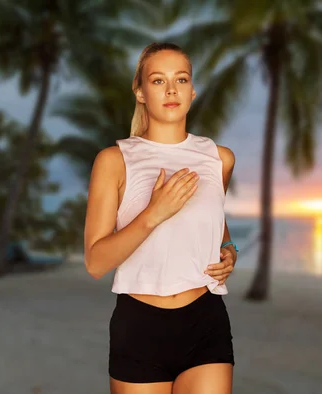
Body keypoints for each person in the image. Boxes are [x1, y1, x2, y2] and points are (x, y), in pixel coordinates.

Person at [84, 42, 238, 394]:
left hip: (206, 319)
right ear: (140, 92)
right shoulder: (114, 160)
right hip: (140, 325)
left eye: (181, 79)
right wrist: (153, 215)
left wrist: (229, 249)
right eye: (158, 81)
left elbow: (215, 220)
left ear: (193, 90)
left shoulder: (220, 158)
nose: (171, 90)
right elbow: (95, 262)